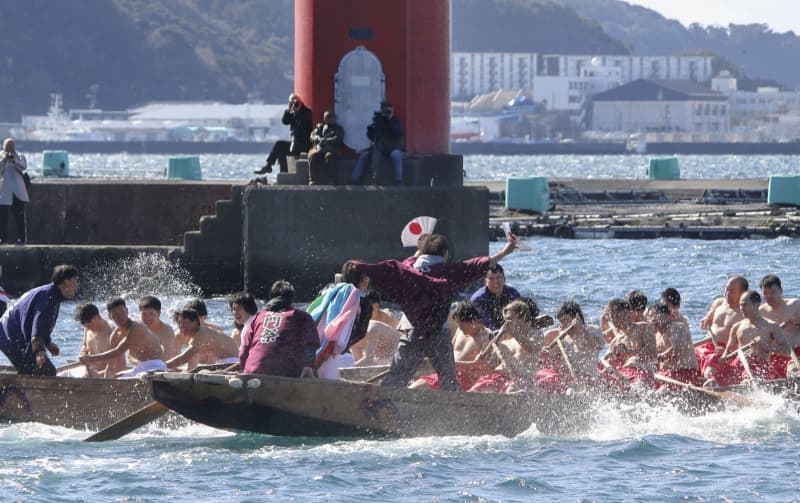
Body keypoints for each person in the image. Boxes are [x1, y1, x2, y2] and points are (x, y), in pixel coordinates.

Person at [347, 233, 516, 391]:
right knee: (449, 380)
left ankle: (380, 404)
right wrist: (505, 251)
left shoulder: (406, 269)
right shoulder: (449, 272)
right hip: (438, 335)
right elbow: (476, 265)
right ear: (445, 253)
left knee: (397, 377)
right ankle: (455, 410)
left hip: (411, 332)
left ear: (422, 253)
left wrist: (353, 267)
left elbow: (384, 268)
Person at [0, 264, 78, 375]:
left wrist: (47, 343)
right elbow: (38, 324)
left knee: (36, 369)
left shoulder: (51, 294)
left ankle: (23, 389)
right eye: (75, 281)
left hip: (9, 333)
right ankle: (24, 391)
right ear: (66, 282)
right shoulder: (47, 298)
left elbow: (39, 323)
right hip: (9, 335)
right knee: (45, 371)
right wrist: (39, 350)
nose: (77, 286)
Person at [233, 280, 319, 378]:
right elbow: (311, 343)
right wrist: (308, 365)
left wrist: (246, 370)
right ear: (291, 299)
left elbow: (244, 351)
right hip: (285, 375)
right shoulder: (302, 316)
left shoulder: (258, 316)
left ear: (271, 297)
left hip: (252, 373)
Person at [411, 301, 493, 391]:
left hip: (463, 380)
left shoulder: (486, 336)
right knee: (414, 387)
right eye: (457, 322)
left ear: (474, 321)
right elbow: (448, 351)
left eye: (461, 323)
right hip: (447, 373)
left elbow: (482, 366)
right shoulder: (459, 331)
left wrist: (450, 364)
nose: (459, 326)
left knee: (418, 387)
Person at [468, 298, 545, 393]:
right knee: (474, 391)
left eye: (510, 319)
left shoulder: (536, 333)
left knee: (511, 390)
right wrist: (484, 358)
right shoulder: (503, 337)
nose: (506, 324)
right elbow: (492, 364)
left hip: (523, 379)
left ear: (523, 318)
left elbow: (532, 348)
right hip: (499, 376)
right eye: (505, 320)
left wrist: (514, 333)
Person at [80, 298, 166, 377]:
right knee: (116, 376)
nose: (120, 316)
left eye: (122, 312)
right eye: (116, 314)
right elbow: (111, 366)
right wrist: (106, 382)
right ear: (110, 316)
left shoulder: (136, 327)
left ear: (127, 311)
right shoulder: (115, 335)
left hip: (156, 365)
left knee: (141, 376)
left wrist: (90, 359)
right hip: (141, 366)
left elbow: (118, 351)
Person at [537, 301, 604, 391]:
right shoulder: (561, 337)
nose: (562, 326)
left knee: (570, 390)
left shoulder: (593, 330)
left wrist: (582, 331)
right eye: (561, 322)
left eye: (565, 321)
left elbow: (598, 345)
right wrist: (544, 354)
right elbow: (550, 361)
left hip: (587, 379)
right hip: (566, 377)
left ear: (576, 318)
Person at [696, 275, 748, 386]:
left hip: (725, 351)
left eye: (732, 292)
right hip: (707, 344)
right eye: (726, 289)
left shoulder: (745, 312)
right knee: (689, 352)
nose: (727, 293)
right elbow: (707, 319)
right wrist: (704, 321)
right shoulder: (719, 303)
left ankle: (709, 381)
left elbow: (745, 341)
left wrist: (727, 350)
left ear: (742, 293)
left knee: (713, 358)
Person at [604, 298, 658, 388]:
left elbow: (652, 353)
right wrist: (610, 357)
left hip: (641, 373)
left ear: (628, 313)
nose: (614, 320)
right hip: (623, 376)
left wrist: (629, 352)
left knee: (638, 386)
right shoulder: (616, 341)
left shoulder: (644, 328)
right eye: (611, 317)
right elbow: (605, 362)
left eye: (617, 316)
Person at [255, 93, 313, 175]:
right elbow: (285, 121)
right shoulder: (292, 112)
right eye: (292, 102)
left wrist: (298, 111)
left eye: (296, 102)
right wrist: (289, 110)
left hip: (304, 145)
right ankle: (279, 170)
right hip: (295, 144)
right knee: (279, 146)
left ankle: (273, 168)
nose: (294, 104)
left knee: (280, 146)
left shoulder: (307, 111)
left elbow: (304, 123)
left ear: (300, 101)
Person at [350, 101, 405, 185]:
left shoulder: (396, 121)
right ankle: (354, 179)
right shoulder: (379, 121)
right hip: (380, 148)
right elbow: (371, 136)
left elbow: (398, 132)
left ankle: (399, 180)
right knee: (364, 155)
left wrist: (389, 120)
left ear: (392, 111)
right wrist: (373, 127)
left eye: (389, 112)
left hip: (394, 148)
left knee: (396, 155)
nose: (387, 114)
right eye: (385, 111)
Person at [166, 309, 239, 369]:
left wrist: (163, 366)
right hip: (228, 363)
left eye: (184, 322)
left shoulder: (201, 333)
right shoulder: (199, 334)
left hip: (232, 363)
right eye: (179, 323)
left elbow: (185, 357)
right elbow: (189, 359)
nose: (180, 326)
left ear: (194, 322)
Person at [758, 275, 800, 379]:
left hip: (797, 352)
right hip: (775, 355)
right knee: (766, 379)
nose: (769, 296)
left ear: (781, 291)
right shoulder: (760, 312)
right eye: (765, 293)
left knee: (793, 373)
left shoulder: (796, 305)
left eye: (773, 292)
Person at [649, 302, 700, 387]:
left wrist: (658, 357)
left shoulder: (678, 327)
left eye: (655, 315)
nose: (652, 319)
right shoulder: (656, 334)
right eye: (650, 317)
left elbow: (676, 350)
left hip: (685, 372)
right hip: (665, 374)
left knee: (659, 393)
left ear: (668, 316)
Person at [350, 290, 401, 367]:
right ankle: (361, 369)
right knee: (353, 344)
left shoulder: (389, 317)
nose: (365, 309)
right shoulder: (366, 320)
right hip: (373, 349)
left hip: (391, 351)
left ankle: (361, 367)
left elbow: (400, 337)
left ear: (376, 305)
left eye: (368, 306)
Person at [75, 303, 126, 378]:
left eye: (89, 324)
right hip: (91, 374)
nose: (88, 327)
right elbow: (84, 346)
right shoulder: (87, 328)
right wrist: (83, 353)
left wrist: (99, 375)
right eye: (85, 325)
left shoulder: (112, 333)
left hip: (110, 377)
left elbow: (121, 366)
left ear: (98, 316)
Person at [469, 264, 521, 330]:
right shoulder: (478, 299)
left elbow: (520, 317)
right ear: (485, 281)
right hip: (487, 334)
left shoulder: (513, 293)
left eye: (498, 277)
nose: (495, 282)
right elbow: (486, 324)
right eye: (491, 278)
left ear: (504, 278)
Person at [0, 138, 29, 245]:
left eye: (11, 147)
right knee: (3, 218)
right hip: (4, 191)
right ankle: (2, 238)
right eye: (8, 147)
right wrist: (4, 160)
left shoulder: (20, 156)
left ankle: (22, 239)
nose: (9, 149)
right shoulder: (1, 157)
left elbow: (24, 166)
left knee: (19, 217)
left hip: (18, 192)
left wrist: (13, 160)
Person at [307, 110, 345, 185]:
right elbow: (312, 136)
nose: (330, 119)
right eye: (327, 117)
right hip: (320, 149)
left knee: (329, 157)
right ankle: (312, 179)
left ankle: (332, 180)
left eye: (332, 117)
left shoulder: (338, 128)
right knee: (313, 156)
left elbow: (338, 139)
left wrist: (326, 140)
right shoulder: (320, 127)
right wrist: (317, 138)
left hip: (332, 150)